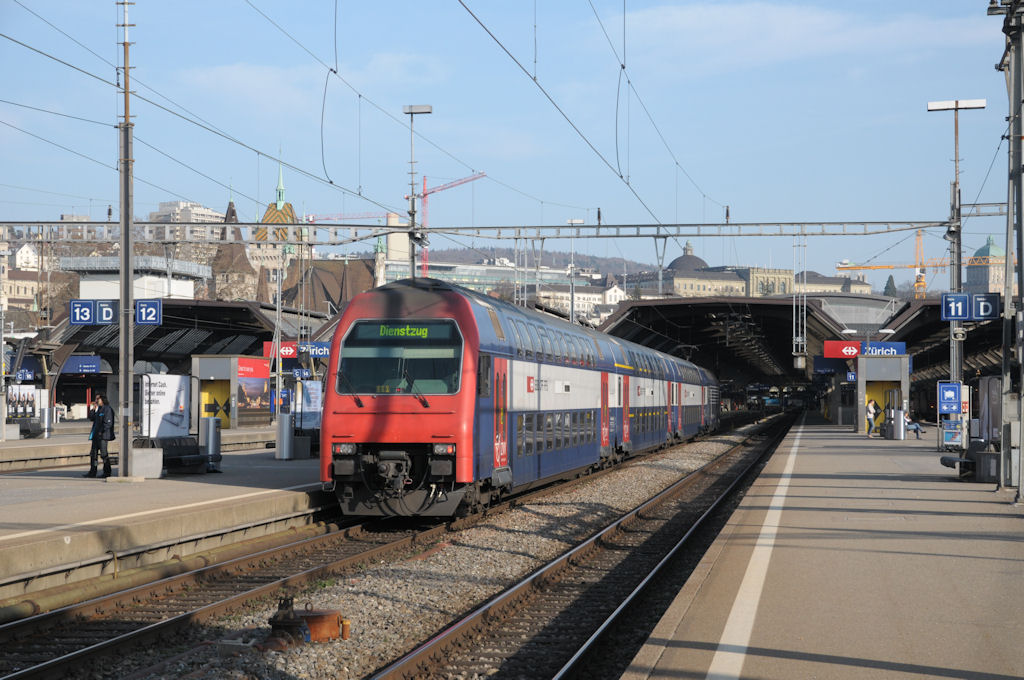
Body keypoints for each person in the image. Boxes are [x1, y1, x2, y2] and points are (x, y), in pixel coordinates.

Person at [84, 394, 116, 478]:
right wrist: (93, 409)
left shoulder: (107, 409)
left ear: (103, 399)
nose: (96, 400)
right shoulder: (99, 409)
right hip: (95, 436)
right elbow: (91, 417)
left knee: (104, 454)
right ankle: (92, 471)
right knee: (93, 454)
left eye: (98, 399)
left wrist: (101, 432)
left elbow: (108, 423)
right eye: (96, 399)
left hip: (103, 436)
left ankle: (107, 472)